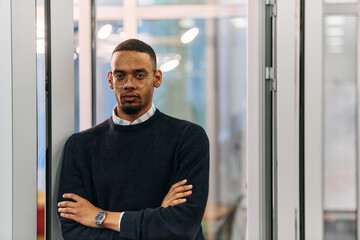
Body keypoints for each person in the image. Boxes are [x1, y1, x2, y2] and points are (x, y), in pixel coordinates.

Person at [57, 39, 209, 240]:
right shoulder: (80, 146)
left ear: (157, 78)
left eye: (139, 75)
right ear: (110, 80)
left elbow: (182, 227)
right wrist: (157, 219)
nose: (129, 84)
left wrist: (99, 217)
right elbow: (75, 232)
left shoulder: (188, 138)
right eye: (120, 76)